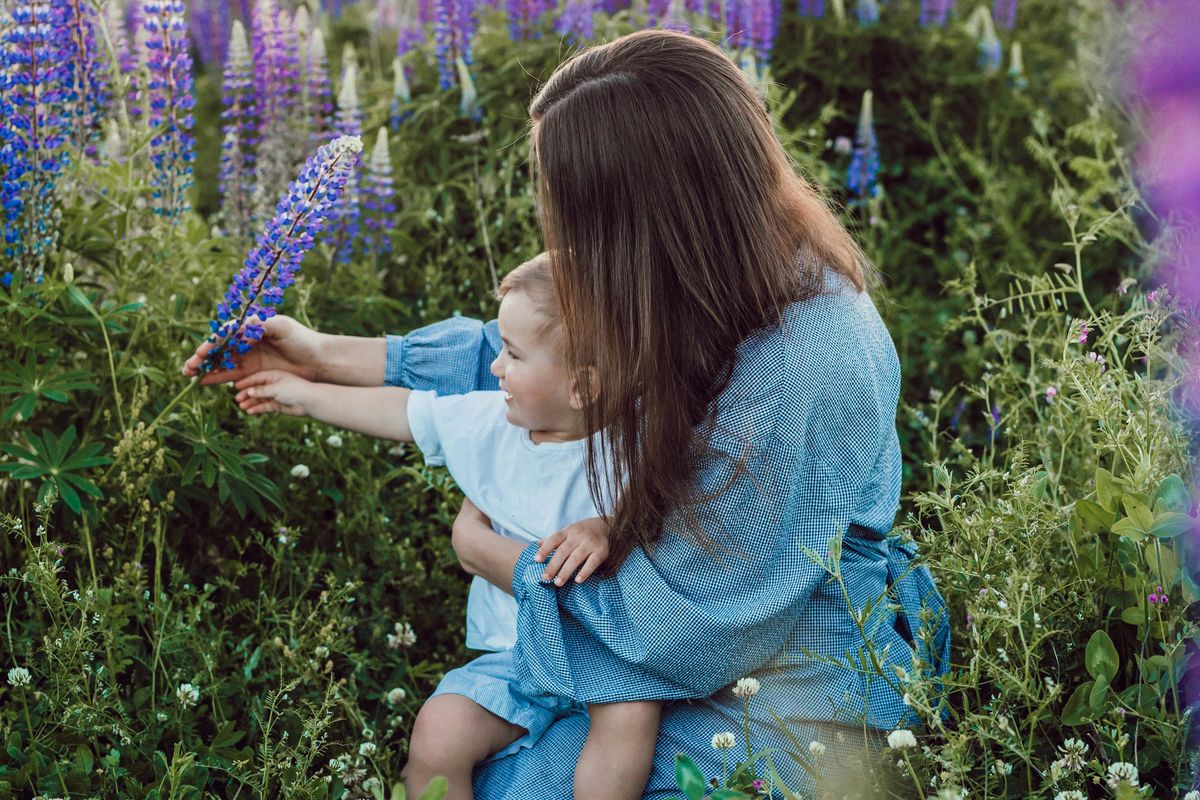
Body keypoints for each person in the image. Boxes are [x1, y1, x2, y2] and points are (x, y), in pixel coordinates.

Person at [185, 28, 950, 798]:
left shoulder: (804, 361)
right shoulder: (718, 270)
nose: (560, 228)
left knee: (515, 783)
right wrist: (318, 355)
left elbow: (686, 623)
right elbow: (542, 351)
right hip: (688, 634)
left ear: (647, 213)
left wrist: (499, 559)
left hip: (794, 680)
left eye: (573, 211)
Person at [219, 253, 661, 800]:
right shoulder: (491, 423)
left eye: (513, 354)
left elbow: (672, 509)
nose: (495, 367)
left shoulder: (637, 442)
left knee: (630, 718)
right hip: (516, 656)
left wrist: (608, 526)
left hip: (609, 650)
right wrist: (303, 394)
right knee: (439, 730)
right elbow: (405, 411)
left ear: (583, 388)